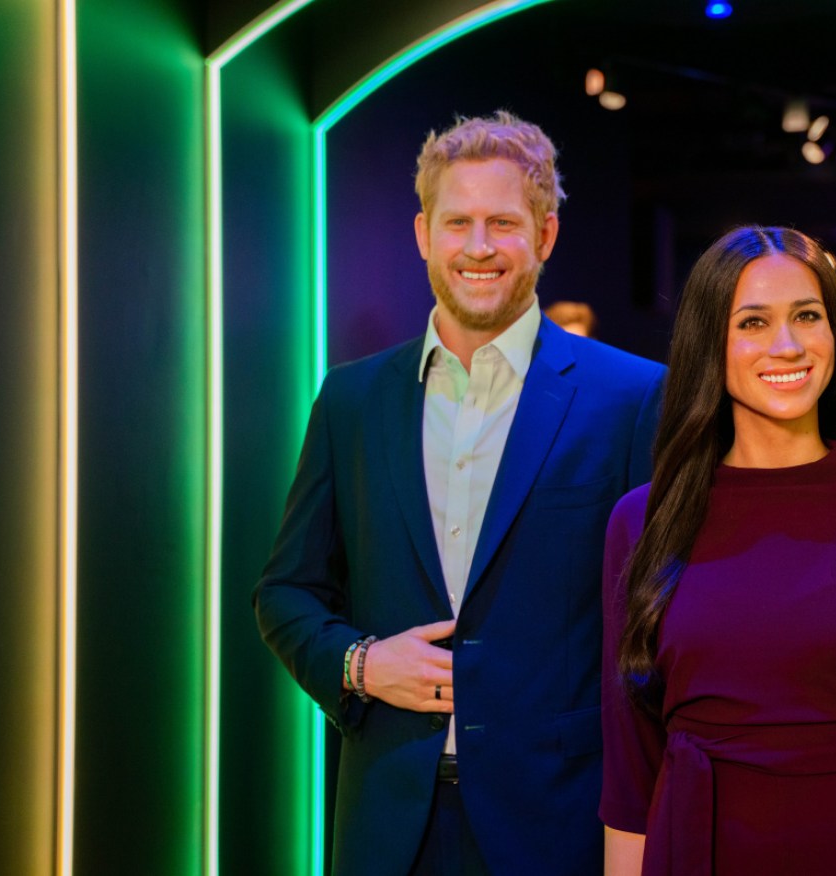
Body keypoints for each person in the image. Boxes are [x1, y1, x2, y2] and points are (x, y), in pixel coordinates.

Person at [254, 111, 665, 876]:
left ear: (544, 234)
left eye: (503, 223)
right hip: (387, 824)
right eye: (458, 223)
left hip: (558, 826)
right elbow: (285, 592)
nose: (478, 248)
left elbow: (656, 626)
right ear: (422, 234)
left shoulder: (630, 397)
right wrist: (359, 664)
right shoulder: (351, 399)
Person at [600, 226, 836, 875]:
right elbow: (631, 772)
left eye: (807, 316)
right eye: (752, 322)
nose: (786, 345)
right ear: (709, 344)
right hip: (695, 848)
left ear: (835, 333)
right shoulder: (644, 519)